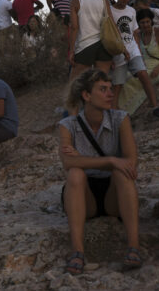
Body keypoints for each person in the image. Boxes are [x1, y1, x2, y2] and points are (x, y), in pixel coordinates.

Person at [59, 69, 141, 274]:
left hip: (114, 193)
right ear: (86, 95)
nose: (110, 94)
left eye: (111, 89)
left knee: (122, 173)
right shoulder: (67, 125)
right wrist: (112, 160)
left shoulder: (120, 119)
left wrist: (83, 159)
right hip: (84, 195)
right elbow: (68, 163)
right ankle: (77, 252)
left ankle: (134, 247)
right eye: (103, 89)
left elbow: (130, 163)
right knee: (76, 173)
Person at [109, 0, 159, 116]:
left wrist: (137, 51)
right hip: (118, 52)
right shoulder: (110, 12)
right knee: (118, 84)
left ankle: (155, 107)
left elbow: (135, 33)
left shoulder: (131, 10)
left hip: (132, 50)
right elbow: (109, 34)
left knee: (143, 75)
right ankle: (114, 114)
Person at [68, 0, 113, 81]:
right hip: (103, 45)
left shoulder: (75, 2)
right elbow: (112, 24)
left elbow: (74, 28)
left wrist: (71, 50)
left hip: (84, 46)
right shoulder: (104, 1)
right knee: (101, 83)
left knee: (74, 85)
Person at [118, 9, 159, 113]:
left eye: (147, 21)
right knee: (125, 77)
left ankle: (126, 111)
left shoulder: (158, 33)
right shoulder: (138, 35)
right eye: (142, 22)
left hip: (158, 67)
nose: (145, 25)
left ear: (151, 21)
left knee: (134, 81)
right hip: (143, 64)